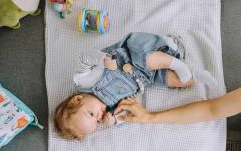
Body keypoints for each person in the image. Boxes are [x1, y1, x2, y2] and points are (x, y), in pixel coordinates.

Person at [53, 32, 216, 140]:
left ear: (77, 99)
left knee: (150, 59)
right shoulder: (110, 110)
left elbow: (84, 58)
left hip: (133, 53)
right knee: (176, 81)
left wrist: (102, 60)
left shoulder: (85, 81)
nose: (99, 117)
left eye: (91, 114)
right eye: (96, 122)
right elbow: (128, 111)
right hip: (147, 77)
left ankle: (176, 62)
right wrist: (116, 120)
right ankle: (197, 76)